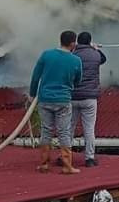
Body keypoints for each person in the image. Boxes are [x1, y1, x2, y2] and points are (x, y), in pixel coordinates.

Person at [29, 31, 82, 175]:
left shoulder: (46, 55)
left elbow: (35, 76)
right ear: (72, 43)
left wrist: (32, 93)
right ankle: (67, 166)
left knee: (46, 130)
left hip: (44, 98)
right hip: (63, 100)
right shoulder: (76, 60)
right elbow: (78, 80)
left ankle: (44, 165)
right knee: (64, 132)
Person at [72, 30, 106, 168]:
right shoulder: (95, 54)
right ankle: (89, 158)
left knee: (68, 128)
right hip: (90, 98)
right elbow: (103, 59)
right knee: (89, 129)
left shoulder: (73, 55)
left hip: (73, 96)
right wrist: (95, 48)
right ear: (89, 41)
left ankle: (65, 157)